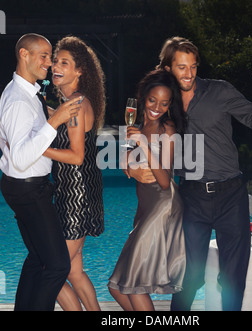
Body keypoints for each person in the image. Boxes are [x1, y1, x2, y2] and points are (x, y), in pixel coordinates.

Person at [154, 36, 252, 311]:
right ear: (168, 69)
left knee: (234, 277)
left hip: (230, 195)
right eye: (182, 67)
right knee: (188, 277)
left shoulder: (220, 91)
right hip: (191, 197)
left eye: (193, 67)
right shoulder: (163, 103)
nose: (189, 74)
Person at [0, 33, 82, 311]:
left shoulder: (27, 93)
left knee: (37, 258)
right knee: (58, 265)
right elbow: (22, 159)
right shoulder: (18, 100)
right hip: (28, 188)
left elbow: (14, 141)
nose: (49, 63)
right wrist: (56, 120)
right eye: (43, 56)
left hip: (24, 186)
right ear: (24, 54)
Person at [107, 70, 187, 311]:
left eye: (164, 103)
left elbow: (165, 180)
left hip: (163, 206)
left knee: (135, 286)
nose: (157, 107)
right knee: (116, 286)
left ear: (170, 105)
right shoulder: (138, 126)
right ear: (143, 98)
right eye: (152, 100)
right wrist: (128, 162)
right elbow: (130, 165)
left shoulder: (167, 129)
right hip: (146, 207)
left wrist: (143, 143)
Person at [43, 36, 106, 311]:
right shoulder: (73, 102)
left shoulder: (77, 106)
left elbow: (76, 156)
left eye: (64, 63)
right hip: (79, 194)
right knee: (73, 271)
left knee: (52, 272)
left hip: (75, 199)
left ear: (79, 71)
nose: (56, 66)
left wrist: (37, 149)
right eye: (55, 61)